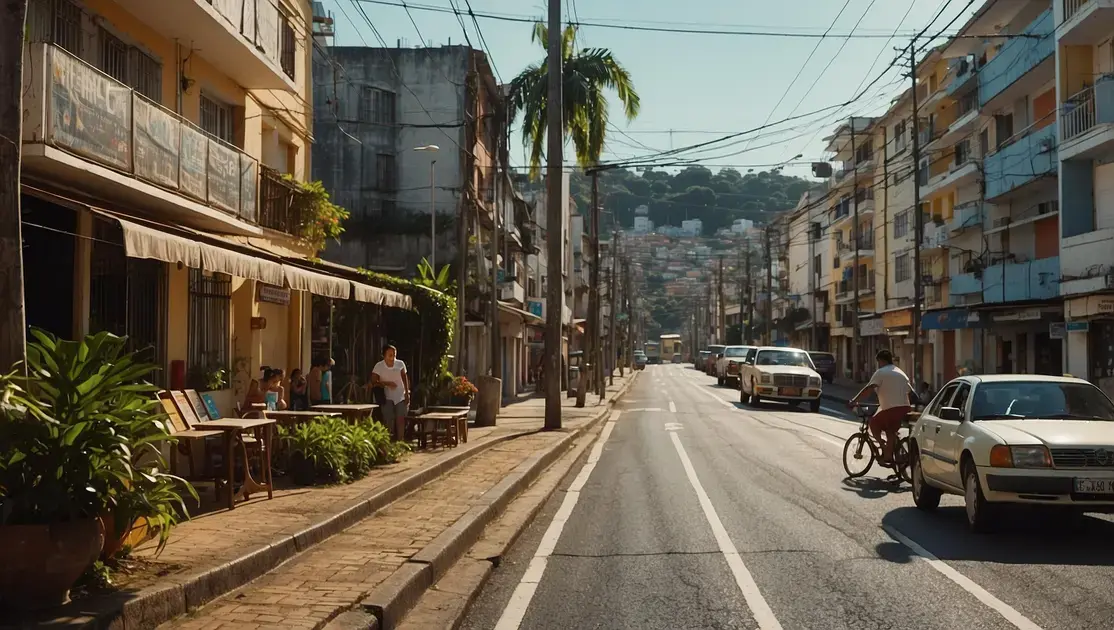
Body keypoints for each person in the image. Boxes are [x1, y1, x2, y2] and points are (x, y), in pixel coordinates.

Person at [848, 349, 916, 473]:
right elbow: (910, 392)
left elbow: (868, 389)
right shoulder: (900, 372)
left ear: (880, 360)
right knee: (890, 430)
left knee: (873, 424)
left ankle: (884, 448)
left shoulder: (881, 372)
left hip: (891, 409)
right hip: (905, 408)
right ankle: (891, 455)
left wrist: (854, 400)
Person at [372, 345, 411, 440]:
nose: (392, 357)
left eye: (394, 355)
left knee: (400, 419)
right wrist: (386, 383)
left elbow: (405, 378)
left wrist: (407, 392)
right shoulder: (379, 366)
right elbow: (373, 381)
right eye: (390, 355)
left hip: (400, 395)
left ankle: (400, 441)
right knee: (388, 419)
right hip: (386, 396)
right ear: (384, 355)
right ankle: (389, 441)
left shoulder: (400, 364)